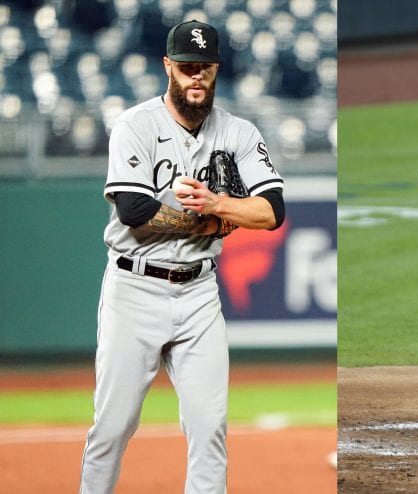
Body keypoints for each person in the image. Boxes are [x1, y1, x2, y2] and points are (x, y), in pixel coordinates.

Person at [79, 19, 285, 493]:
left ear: (216, 71)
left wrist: (217, 205)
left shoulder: (238, 132)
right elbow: (133, 210)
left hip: (198, 292)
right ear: (168, 66)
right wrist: (208, 222)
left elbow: (272, 210)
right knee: (112, 428)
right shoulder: (136, 124)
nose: (197, 77)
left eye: (205, 68)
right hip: (134, 288)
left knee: (210, 429)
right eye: (188, 67)